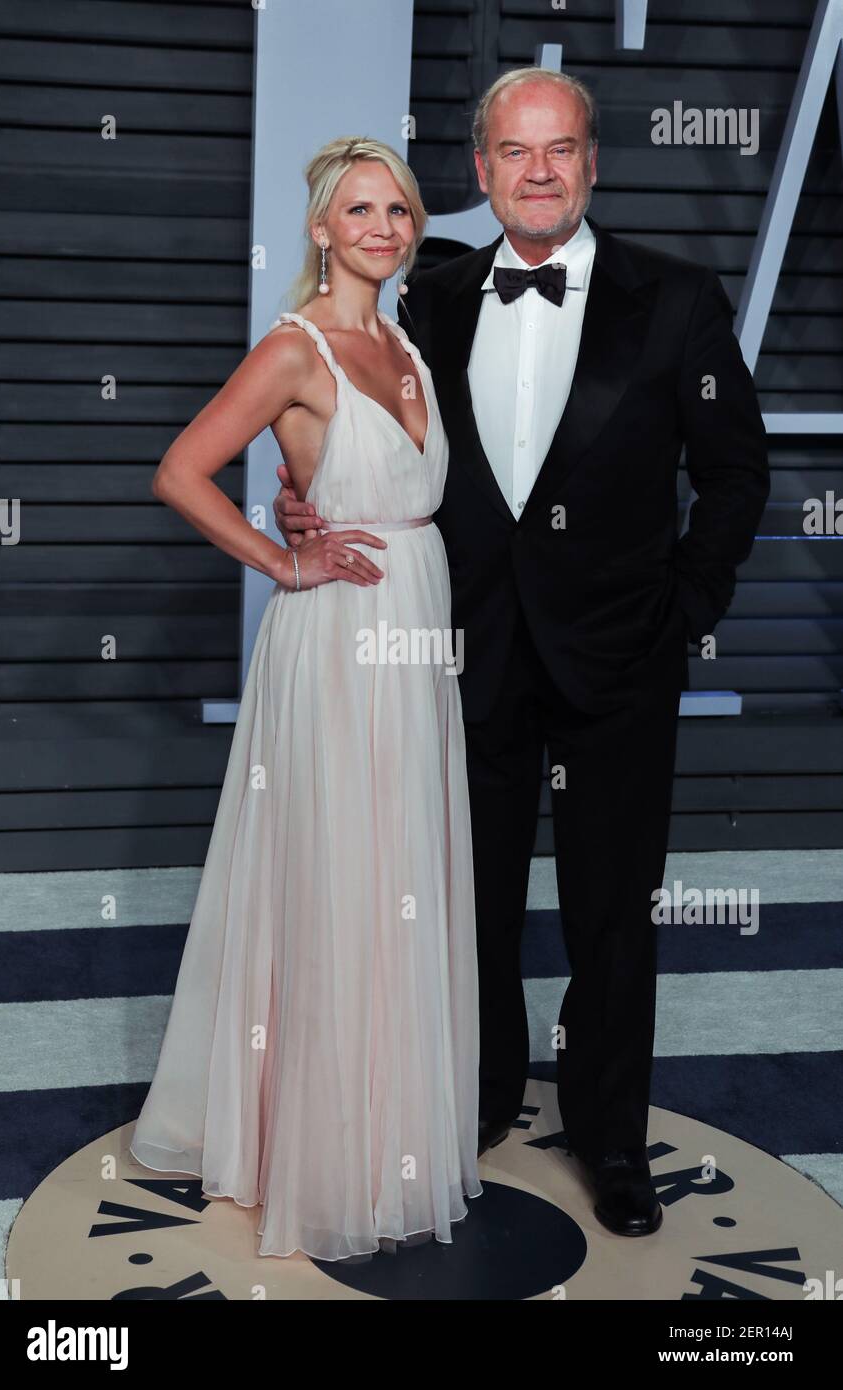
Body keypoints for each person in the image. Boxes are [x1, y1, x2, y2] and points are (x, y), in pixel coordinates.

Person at [275, 70, 771, 1237]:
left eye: (558, 150)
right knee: (466, 900)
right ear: (482, 169)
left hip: (618, 664)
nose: (536, 170)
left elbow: (737, 475)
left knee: (610, 916)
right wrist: (303, 505)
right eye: (512, 150)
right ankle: (482, 1097)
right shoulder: (429, 295)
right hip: (460, 651)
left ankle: (610, 1141)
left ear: (591, 163)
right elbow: (346, 417)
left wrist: (683, 610)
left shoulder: (679, 298)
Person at [129, 136, 482, 1261]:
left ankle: (388, 1130)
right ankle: (324, 1153)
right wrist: (287, 561)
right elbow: (181, 470)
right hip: (335, 645)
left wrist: (310, 511)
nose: (383, 227)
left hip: (416, 634)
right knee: (340, 875)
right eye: (360, 211)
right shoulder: (294, 349)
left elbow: (373, 495)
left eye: (400, 210)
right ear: (322, 229)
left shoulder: (405, 348)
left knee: (399, 875)